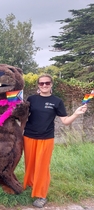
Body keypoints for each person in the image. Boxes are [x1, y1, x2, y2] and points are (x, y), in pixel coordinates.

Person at [23, 74, 87, 208]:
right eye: (41, 83)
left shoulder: (57, 101)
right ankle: (30, 185)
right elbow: (23, 115)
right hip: (28, 136)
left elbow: (65, 121)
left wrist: (76, 114)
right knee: (30, 164)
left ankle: (41, 195)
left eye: (47, 83)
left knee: (42, 167)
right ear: (38, 85)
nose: (44, 85)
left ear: (51, 84)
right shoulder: (31, 99)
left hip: (46, 138)